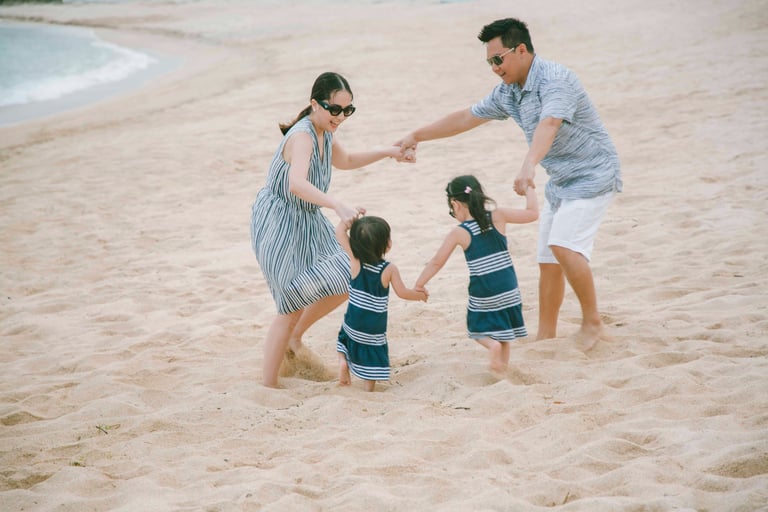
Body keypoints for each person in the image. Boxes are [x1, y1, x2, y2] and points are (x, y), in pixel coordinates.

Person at [397, 18, 622, 349]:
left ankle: (593, 323)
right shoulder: (509, 91)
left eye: (497, 59)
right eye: (489, 62)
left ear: (520, 50)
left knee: (563, 245)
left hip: (594, 174)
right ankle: (546, 335)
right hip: (561, 182)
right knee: (547, 258)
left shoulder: (556, 80)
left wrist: (528, 164)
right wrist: (417, 135)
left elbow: (550, 123)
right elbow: (466, 117)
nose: (494, 68)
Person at [251, 71, 412, 388]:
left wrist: (389, 152)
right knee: (290, 304)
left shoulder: (325, 131)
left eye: (347, 110)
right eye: (334, 109)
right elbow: (296, 184)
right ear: (315, 104)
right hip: (280, 221)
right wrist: (337, 205)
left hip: (306, 219)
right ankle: (268, 386)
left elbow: (348, 159)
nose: (340, 116)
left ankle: (295, 340)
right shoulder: (302, 136)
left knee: (344, 276)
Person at [414, 175, 538, 375]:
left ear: (455, 204)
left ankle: (492, 347)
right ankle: (501, 370)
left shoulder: (459, 232)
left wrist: (420, 283)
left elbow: (437, 261)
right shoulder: (498, 215)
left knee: (477, 327)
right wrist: (529, 189)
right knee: (504, 332)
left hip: (485, 291)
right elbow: (532, 213)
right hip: (509, 288)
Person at [335, 215, 427, 392]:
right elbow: (403, 293)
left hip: (353, 322)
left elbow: (339, 232)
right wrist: (420, 296)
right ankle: (368, 388)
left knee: (344, 340)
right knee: (372, 357)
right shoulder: (389, 269)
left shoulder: (356, 261)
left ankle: (342, 362)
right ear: (387, 245)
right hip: (372, 329)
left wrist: (351, 217)